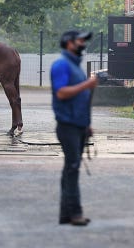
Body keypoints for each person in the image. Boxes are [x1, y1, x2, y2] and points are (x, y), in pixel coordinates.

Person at [50, 29, 98, 226]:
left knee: (69, 169)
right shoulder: (61, 65)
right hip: (67, 125)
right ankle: (75, 213)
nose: (83, 44)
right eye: (80, 40)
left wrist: (87, 125)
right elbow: (61, 93)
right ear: (69, 43)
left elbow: (81, 100)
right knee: (72, 168)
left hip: (78, 125)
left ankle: (65, 214)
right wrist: (87, 85)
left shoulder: (75, 66)